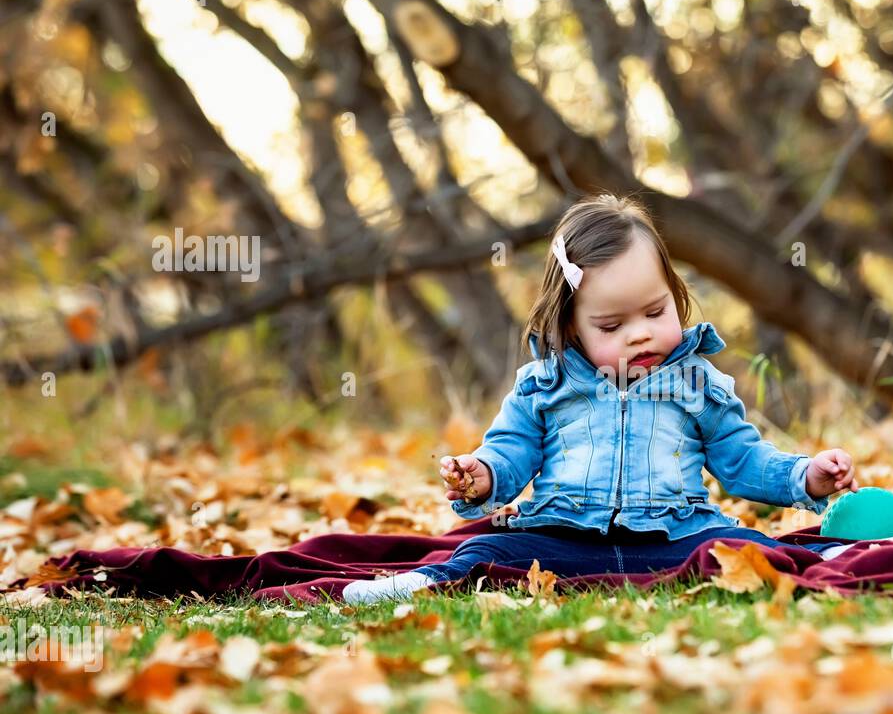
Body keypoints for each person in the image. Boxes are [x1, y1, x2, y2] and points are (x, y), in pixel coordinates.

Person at [343, 193, 859, 604]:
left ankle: (854, 556)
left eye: (656, 313)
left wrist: (804, 476)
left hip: (675, 540)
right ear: (571, 324)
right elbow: (512, 451)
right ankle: (422, 583)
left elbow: (742, 460)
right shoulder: (543, 385)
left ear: (674, 296)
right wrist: (484, 475)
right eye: (612, 325)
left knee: (752, 551)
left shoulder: (699, 384)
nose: (640, 335)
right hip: (563, 541)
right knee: (486, 548)